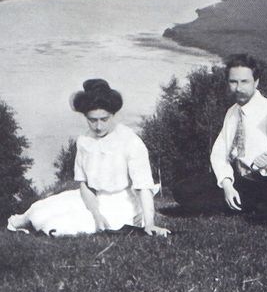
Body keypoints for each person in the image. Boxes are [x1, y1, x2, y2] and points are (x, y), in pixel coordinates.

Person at [7, 79, 170, 238]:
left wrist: (149, 223)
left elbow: (143, 187)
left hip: (123, 204)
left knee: (56, 226)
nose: (98, 126)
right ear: (85, 116)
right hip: (93, 199)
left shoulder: (130, 141)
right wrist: (96, 213)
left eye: (104, 119)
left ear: (113, 114)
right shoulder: (84, 141)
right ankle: (19, 223)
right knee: (38, 211)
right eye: (92, 120)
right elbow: (84, 184)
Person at [173, 54, 267, 212]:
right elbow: (219, 152)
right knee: (181, 190)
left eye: (245, 82)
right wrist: (227, 185)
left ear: (256, 82)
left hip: (263, 183)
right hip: (237, 178)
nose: (238, 88)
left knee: (201, 203)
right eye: (233, 82)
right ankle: (227, 199)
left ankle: (232, 204)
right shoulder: (232, 112)